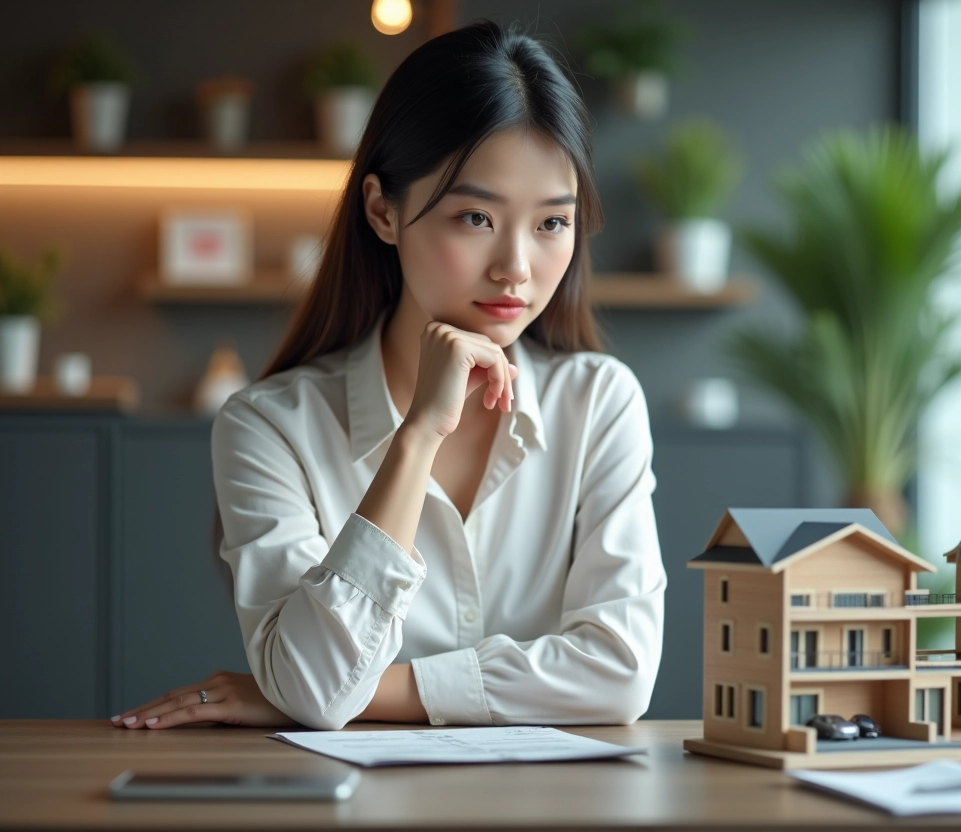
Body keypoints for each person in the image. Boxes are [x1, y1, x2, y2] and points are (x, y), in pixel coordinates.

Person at [110, 20, 666, 731]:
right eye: (474, 217)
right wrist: (418, 438)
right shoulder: (268, 427)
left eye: (551, 225)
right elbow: (313, 688)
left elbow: (620, 674)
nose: (517, 270)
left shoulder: (599, 401)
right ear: (382, 210)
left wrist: (347, 693)